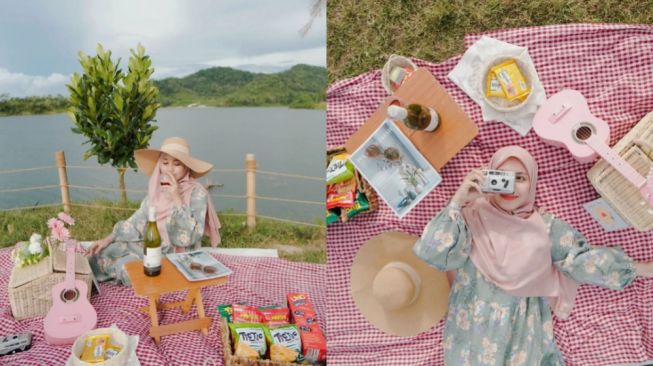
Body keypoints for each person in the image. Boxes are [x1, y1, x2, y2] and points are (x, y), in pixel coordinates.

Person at [412, 146, 653, 365]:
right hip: (470, 329)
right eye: (504, 177)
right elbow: (431, 253)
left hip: (521, 329)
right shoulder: (469, 217)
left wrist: (641, 268)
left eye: (521, 178)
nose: (512, 187)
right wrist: (457, 201)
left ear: (533, 183)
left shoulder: (546, 227)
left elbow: (581, 261)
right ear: (490, 178)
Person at [85, 137, 221, 286]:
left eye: (177, 164)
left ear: (186, 167)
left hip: (175, 253)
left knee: (131, 271)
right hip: (149, 245)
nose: (169, 169)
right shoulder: (158, 188)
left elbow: (191, 236)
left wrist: (176, 197)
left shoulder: (197, 193)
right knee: (100, 255)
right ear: (159, 165)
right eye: (165, 162)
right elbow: (138, 219)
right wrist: (107, 239)